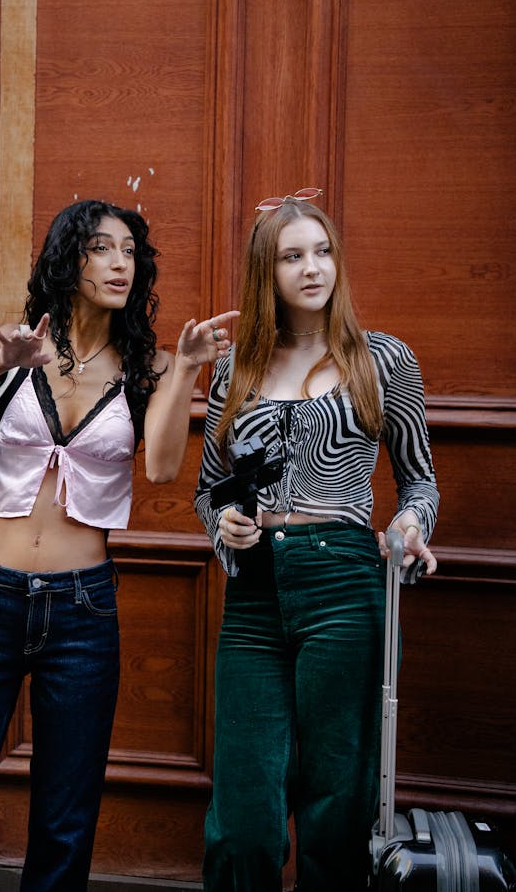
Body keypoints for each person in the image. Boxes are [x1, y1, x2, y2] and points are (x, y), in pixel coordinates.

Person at [0, 198, 237, 892]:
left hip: (82, 610)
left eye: (129, 252)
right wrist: (2, 363)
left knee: (65, 821)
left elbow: (165, 466)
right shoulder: (21, 339)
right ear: (68, 259)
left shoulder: (150, 367)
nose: (118, 264)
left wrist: (189, 370)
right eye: (100, 248)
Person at [194, 188, 439, 892]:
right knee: (243, 817)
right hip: (255, 595)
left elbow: (420, 482)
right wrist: (226, 526)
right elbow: (209, 490)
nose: (312, 267)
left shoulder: (382, 359)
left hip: (346, 585)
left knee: (338, 801)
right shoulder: (233, 366)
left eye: (323, 251)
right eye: (292, 255)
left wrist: (408, 523)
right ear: (264, 272)